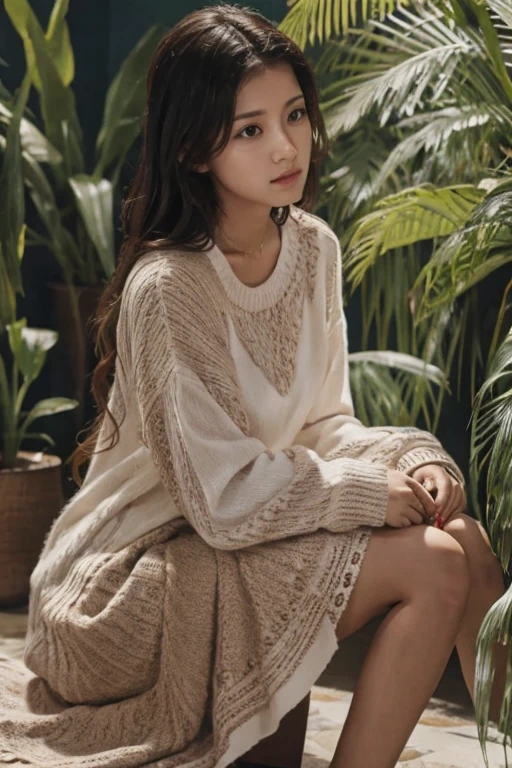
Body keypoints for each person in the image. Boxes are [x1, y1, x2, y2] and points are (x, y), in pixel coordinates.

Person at [0, 4, 506, 768]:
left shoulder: (313, 248)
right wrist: (369, 494)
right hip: (121, 584)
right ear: (196, 148)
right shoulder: (169, 285)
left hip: (231, 539)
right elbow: (218, 496)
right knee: (436, 563)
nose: (286, 145)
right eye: (250, 129)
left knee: (463, 540)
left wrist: (409, 461)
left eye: (295, 115)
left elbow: (323, 422)